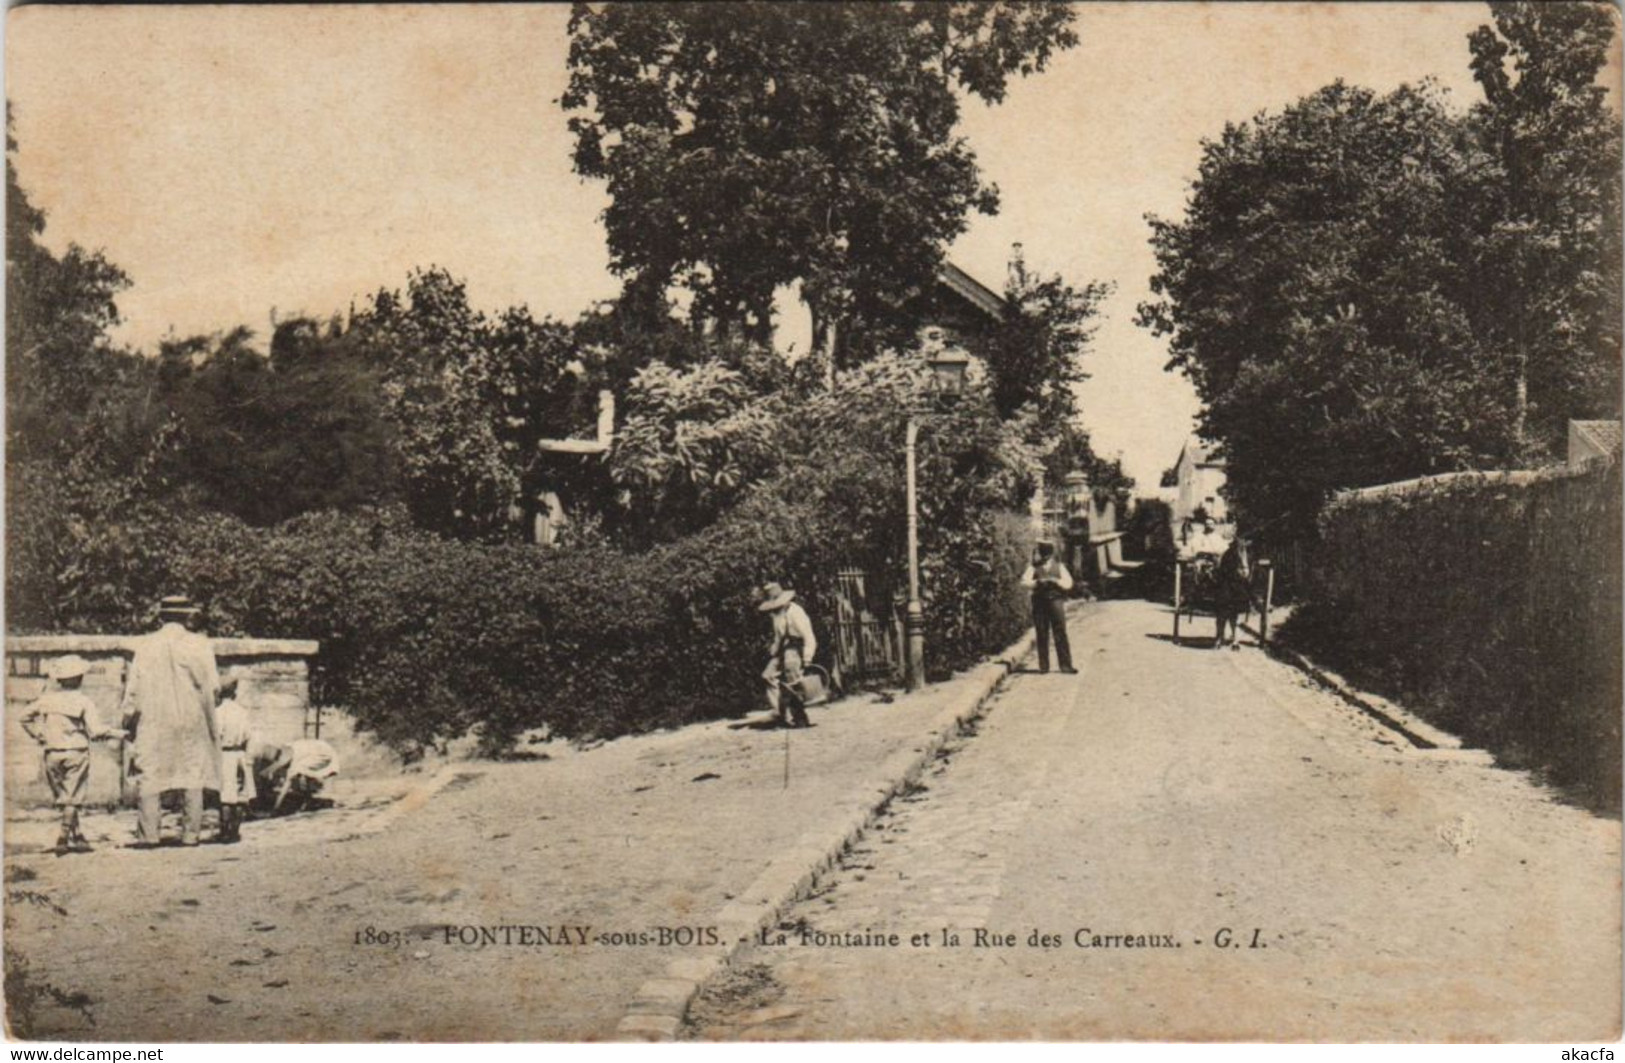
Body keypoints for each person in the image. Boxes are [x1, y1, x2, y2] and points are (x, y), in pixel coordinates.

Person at [119, 595, 222, 847]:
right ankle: (190, 834)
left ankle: (149, 835)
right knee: (192, 772)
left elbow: (133, 690)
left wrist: (127, 720)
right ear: (188, 616)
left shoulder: (145, 645)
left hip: (154, 720)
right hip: (191, 718)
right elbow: (215, 688)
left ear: (161, 616)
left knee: (151, 773)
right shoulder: (201, 645)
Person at [21, 655, 121, 855]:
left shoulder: (46, 700)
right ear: (80, 678)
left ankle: (78, 835)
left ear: (59, 679)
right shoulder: (84, 701)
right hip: (76, 752)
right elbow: (95, 730)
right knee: (73, 798)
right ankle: (63, 837)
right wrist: (117, 733)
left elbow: (24, 717)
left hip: (52, 753)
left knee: (65, 797)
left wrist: (38, 734)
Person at [759, 582, 817, 728]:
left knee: (792, 684)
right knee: (768, 676)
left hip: (796, 649)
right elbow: (779, 636)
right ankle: (780, 714)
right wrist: (774, 649)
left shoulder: (796, 612)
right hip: (783, 649)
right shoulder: (776, 614)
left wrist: (807, 657)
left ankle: (800, 719)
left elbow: (808, 636)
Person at [1021, 540, 1077, 674]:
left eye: (1047, 553)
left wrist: (1056, 581)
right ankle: (1044, 666)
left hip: (1055, 601)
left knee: (1060, 632)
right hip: (1039, 602)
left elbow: (1069, 583)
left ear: (1051, 554)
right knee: (1041, 632)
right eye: (1043, 552)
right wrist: (1037, 582)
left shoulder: (1059, 567)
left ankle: (1066, 665)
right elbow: (1023, 582)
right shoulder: (1033, 567)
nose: (1045, 556)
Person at [251, 738, 340, 814]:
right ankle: (306, 799)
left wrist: (276, 808)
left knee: (300, 772)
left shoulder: (295, 764)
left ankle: (308, 799)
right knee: (302, 773)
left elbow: (286, 786)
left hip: (322, 753)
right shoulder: (288, 748)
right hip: (320, 747)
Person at [215, 677, 255, 844]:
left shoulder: (219, 712)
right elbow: (248, 735)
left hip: (225, 755)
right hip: (240, 754)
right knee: (240, 794)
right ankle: (235, 831)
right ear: (234, 693)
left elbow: (217, 735)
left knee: (226, 795)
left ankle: (225, 832)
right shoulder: (242, 711)